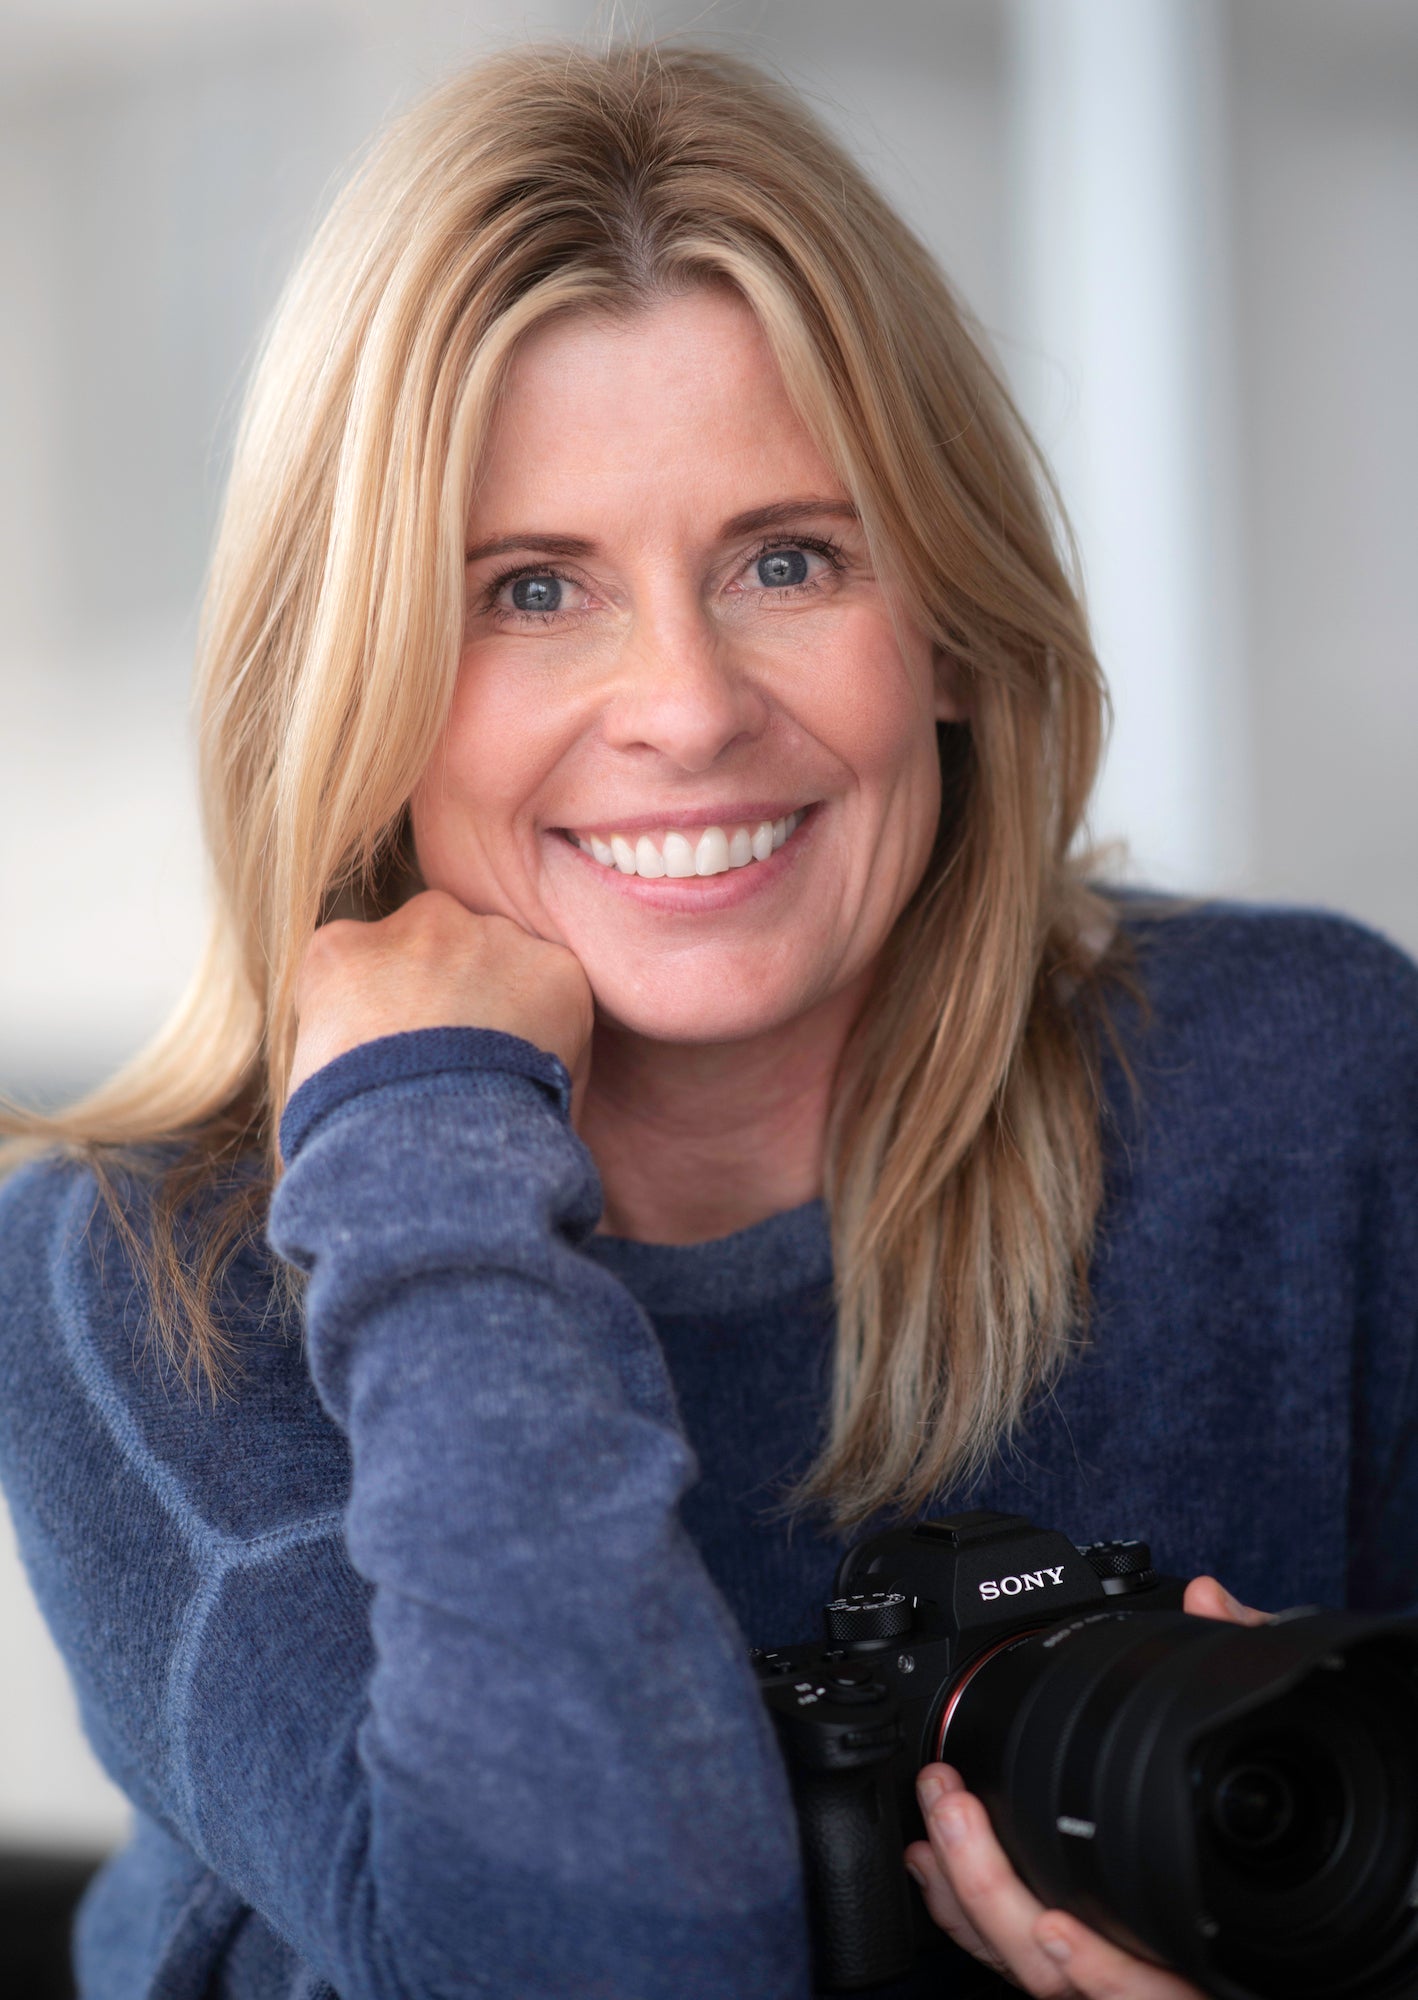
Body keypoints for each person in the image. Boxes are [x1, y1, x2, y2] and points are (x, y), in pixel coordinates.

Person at [0, 37, 1414, 2000]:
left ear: (948, 624)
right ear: (351, 681)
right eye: (527, 590)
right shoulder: (149, 1275)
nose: (685, 703)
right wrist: (424, 1157)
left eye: (786, 558)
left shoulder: (1301, 1092)